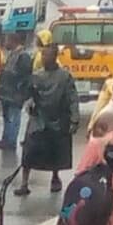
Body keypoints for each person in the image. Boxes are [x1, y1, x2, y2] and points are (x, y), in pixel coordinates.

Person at [16, 44, 79, 196]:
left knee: (55, 151)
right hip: (38, 118)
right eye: (43, 55)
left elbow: (72, 98)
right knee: (29, 150)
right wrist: (29, 100)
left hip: (57, 118)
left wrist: (74, 119)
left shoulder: (64, 76)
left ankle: (55, 178)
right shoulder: (36, 76)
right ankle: (24, 183)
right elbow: (27, 94)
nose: (45, 58)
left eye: (48, 55)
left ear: (55, 56)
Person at [0, 32, 32, 151]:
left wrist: (5, 71)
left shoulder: (23, 56)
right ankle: (5, 139)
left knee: (13, 118)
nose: (5, 43)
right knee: (7, 117)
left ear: (13, 41)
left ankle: (11, 142)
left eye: (7, 41)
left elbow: (24, 76)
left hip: (15, 93)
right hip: (7, 93)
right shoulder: (13, 54)